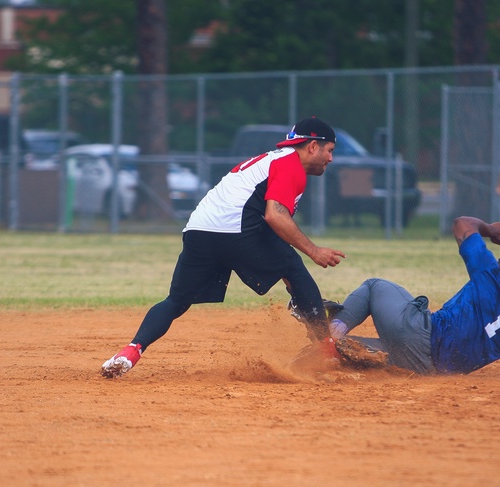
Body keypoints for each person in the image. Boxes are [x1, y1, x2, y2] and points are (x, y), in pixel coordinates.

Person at [101, 116, 347, 379]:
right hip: (237, 230)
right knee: (295, 266)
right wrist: (313, 251)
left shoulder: (268, 159)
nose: (330, 159)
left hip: (199, 231)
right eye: (329, 150)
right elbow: (275, 216)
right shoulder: (290, 165)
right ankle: (326, 351)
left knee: (176, 301)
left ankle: (130, 352)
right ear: (312, 146)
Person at [323, 215, 500, 376]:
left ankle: (331, 331)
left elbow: (461, 223)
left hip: (420, 334)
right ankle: (329, 350)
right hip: (425, 369)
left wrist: (490, 230)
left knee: (374, 286)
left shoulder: (491, 275)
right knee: (347, 352)